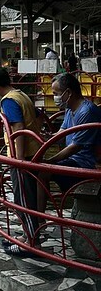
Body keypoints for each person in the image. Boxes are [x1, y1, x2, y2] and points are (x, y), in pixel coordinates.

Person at [0, 65, 41, 251]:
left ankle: (31, 243)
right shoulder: (21, 94)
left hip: (23, 158)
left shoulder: (8, 101)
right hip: (34, 153)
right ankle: (28, 235)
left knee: (23, 200)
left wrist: (18, 160)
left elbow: (18, 128)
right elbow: (38, 117)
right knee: (27, 197)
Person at [37, 73, 101, 212]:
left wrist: (50, 161)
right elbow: (61, 133)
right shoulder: (69, 109)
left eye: (56, 93)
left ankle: (39, 219)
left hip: (85, 162)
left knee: (43, 173)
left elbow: (75, 147)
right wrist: (46, 137)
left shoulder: (87, 112)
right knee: (41, 169)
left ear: (68, 93)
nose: (55, 97)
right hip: (74, 159)